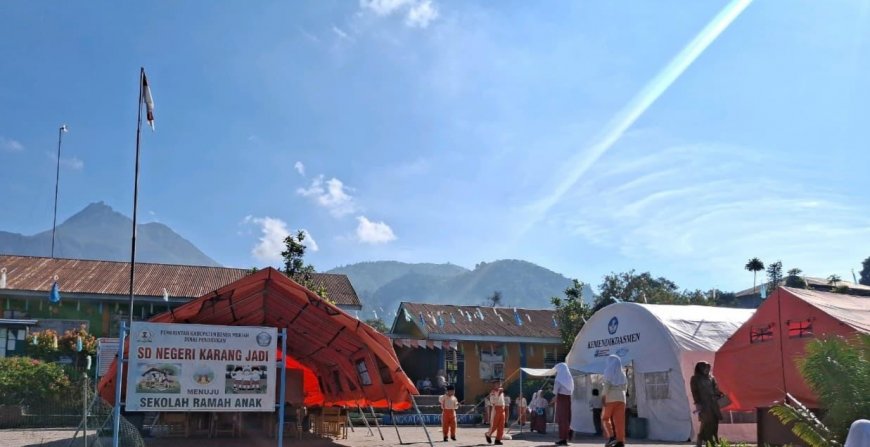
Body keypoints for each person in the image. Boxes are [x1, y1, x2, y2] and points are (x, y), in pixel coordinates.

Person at [690, 361, 723, 447]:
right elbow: (695, 392)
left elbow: (715, 388)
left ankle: (710, 439)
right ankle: (704, 440)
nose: (707, 369)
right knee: (706, 422)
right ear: (700, 368)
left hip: (713, 403)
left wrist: (719, 394)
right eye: (705, 367)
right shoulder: (695, 378)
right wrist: (697, 403)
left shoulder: (711, 377)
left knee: (715, 422)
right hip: (704, 403)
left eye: (708, 367)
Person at [602, 355, 627, 447]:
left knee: (605, 418)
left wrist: (603, 396)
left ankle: (611, 437)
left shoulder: (608, 371)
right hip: (621, 398)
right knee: (619, 421)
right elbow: (625, 387)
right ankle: (620, 442)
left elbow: (607, 385)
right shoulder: (622, 373)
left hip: (610, 397)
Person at [554, 363, 575, 446]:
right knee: (567, 418)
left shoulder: (559, 378)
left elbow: (555, 390)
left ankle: (563, 438)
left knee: (562, 419)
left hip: (561, 398)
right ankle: (566, 437)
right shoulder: (570, 378)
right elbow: (572, 390)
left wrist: (554, 398)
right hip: (568, 398)